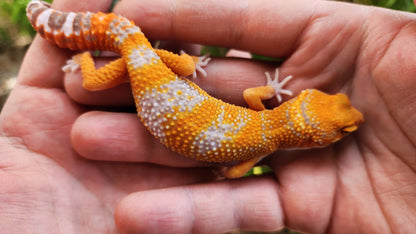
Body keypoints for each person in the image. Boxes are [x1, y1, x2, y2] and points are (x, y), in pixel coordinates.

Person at [1, 0, 415, 232]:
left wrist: (269, 90)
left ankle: (77, 43)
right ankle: (86, 63)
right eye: (343, 128)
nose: (354, 119)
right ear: (310, 140)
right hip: (151, 77)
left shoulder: (264, 116)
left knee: (136, 50)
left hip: (161, 71)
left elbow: (255, 94)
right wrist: (220, 173)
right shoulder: (262, 146)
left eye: (342, 122)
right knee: (92, 83)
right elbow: (234, 175)